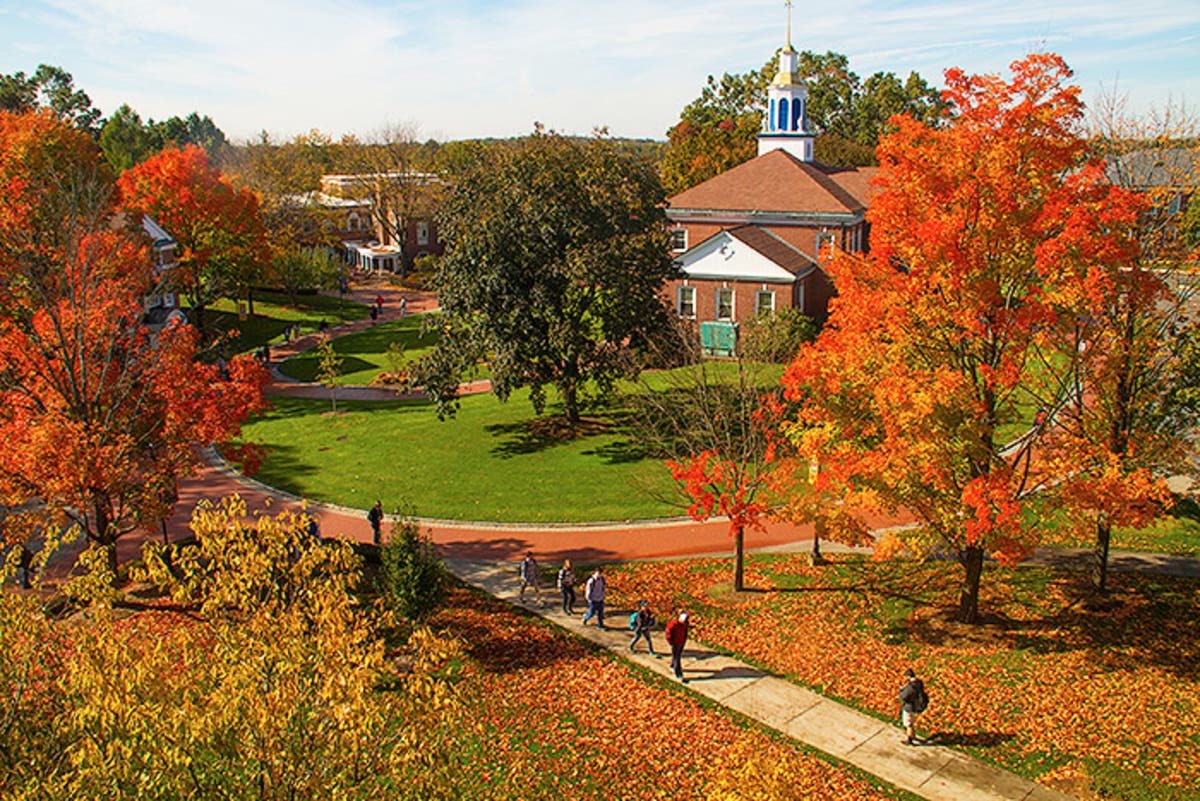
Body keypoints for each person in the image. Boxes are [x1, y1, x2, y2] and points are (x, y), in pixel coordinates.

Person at [898, 668, 928, 745]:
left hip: (909, 706)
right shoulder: (919, 683)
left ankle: (909, 739)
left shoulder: (911, 687)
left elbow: (904, 696)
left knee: (908, 723)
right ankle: (913, 735)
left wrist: (901, 690)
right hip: (916, 705)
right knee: (911, 720)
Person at [665, 610, 690, 681]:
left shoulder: (685, 625)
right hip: (675, 643)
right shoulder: (673, 624)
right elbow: (668, 634)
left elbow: (685, 632)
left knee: (677, 656)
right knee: (677, 659)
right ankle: (679, 674)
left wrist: (685, 639)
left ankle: (672, 665)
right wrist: (671, 642)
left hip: (681, 642)